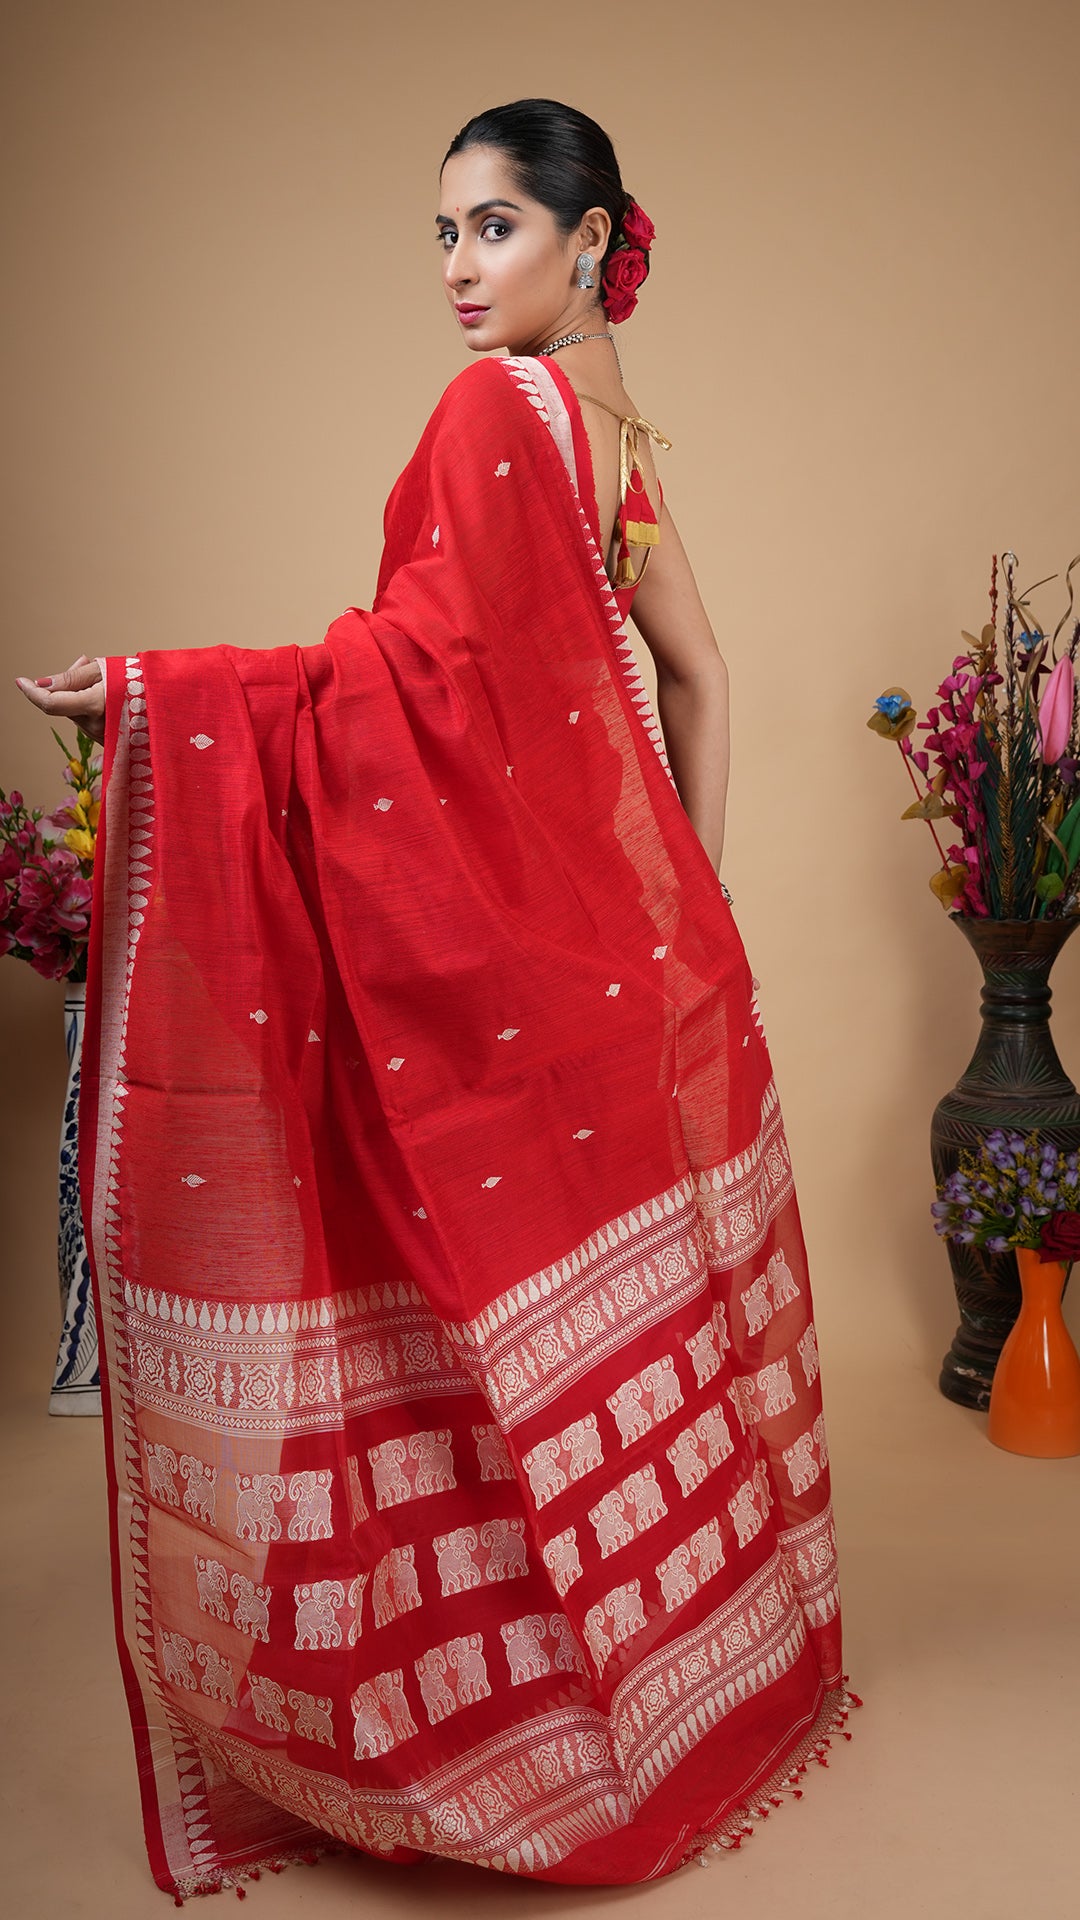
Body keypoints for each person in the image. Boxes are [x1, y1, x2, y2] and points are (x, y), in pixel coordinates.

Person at [17, 99, 851, 1902]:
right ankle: (704, 1691)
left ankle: (509, 1749)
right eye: (446, 234)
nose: (460, 271)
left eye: (492, 229)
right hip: (597, 962)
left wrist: (159, 699)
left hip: (494, 970)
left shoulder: (500, 412)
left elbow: (401, 672)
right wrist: (676, 909)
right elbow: (700, 682)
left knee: (448, 1323)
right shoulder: (610, 427)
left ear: (588, 233)